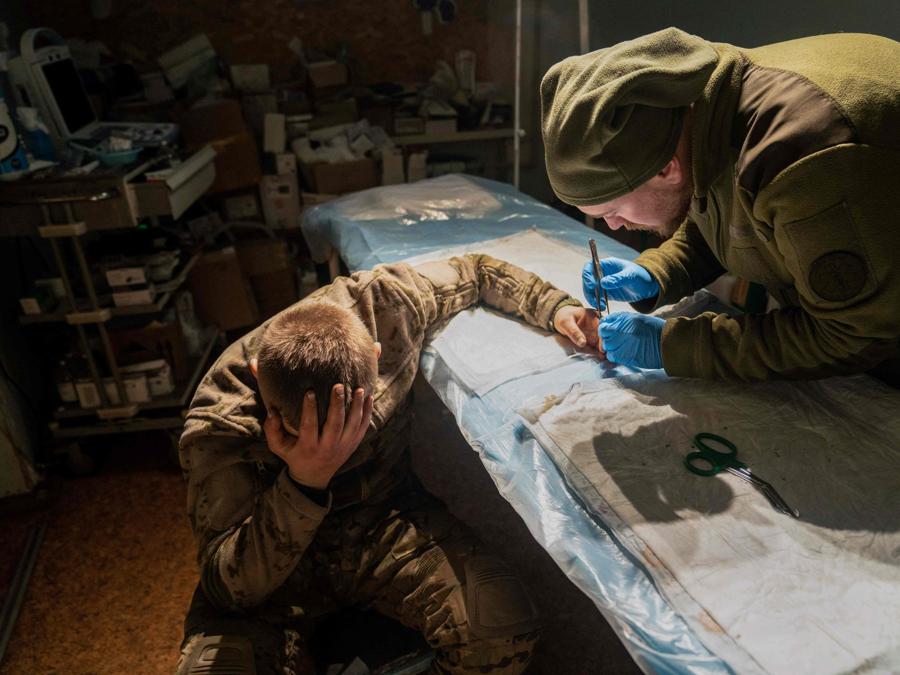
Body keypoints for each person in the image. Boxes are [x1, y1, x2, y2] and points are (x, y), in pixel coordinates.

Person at [176, 253, 599, 674]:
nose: (334, 444)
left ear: (376, 355)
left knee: (499, 629)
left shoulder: (386, 305)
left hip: (381, 524)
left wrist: (559, 309)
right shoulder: (220, 420)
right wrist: (304, 482)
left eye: (352, 426)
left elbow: (477, 271)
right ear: (257, 377)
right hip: (275, 565)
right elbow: (228, 587)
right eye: (299, 433)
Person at [541, 27, 900, 383]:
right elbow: (732, 216)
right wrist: (659, 272)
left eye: (612, 212)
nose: (614, 226)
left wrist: (675, 346)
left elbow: (851, 334)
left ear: (665, 169)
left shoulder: (801, 162)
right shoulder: (702, 114)